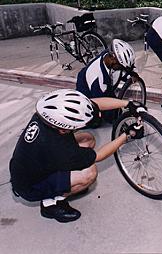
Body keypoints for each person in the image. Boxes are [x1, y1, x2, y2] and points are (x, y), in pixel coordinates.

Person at [9, 89, 146, 223]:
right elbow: (98, 155)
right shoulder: (57, 148)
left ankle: (64, 184)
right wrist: (128, 135)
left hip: (32, 165)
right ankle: (50, 204)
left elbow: (94, 104)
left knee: (88, 139)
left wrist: (127, 104)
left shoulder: (46, 115)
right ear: (63, 129)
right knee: (89, 174)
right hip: (30, 186)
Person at [76, 38, 136, 123]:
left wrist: (130, 74)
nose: (122, 69)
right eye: (121, 67)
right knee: (98, 119)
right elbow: (101, 103)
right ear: (113, 60)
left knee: (115, 107)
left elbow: (122, 70)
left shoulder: (108, 54)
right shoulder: (97, 77)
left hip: (98, 84)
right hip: (88, 94)